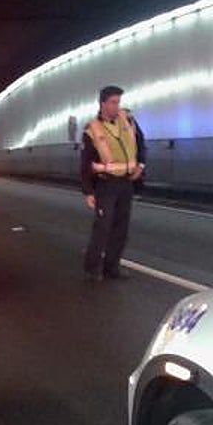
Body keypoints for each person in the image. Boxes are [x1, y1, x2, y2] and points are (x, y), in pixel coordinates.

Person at [80, 85, 145, 281]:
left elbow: (140, 143)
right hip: (106, 185)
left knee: (121, 228)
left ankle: (111, 267)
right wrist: (88, 191)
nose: (117, 106)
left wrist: (141, 165)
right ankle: (92, 268)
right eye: (113, 102)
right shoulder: (92, 129)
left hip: (126, 183)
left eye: (118, 102)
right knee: (103, 227)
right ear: (102, 104)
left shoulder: (128, 120)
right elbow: (85, 162)